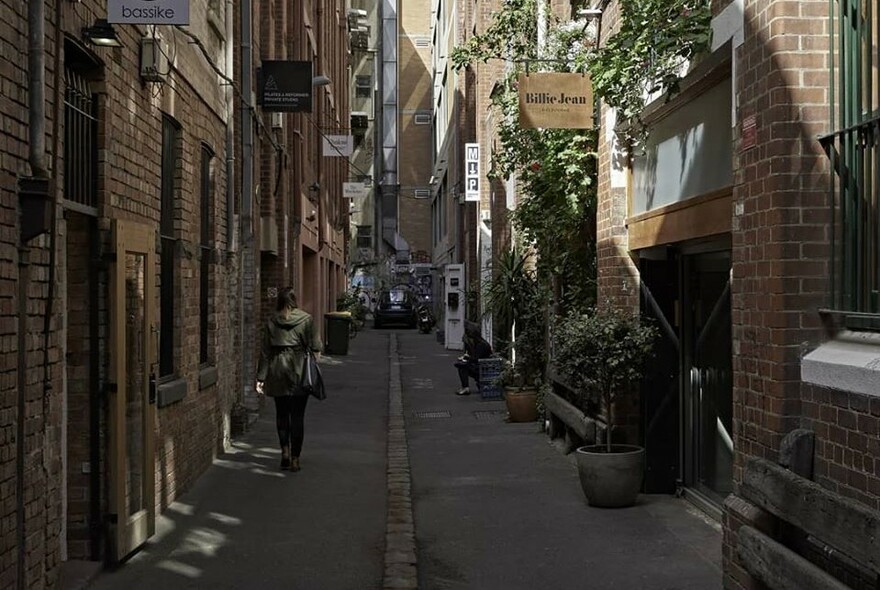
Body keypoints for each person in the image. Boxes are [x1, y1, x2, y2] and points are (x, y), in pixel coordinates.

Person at [256, 287, 322, 471]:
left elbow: (265, 352)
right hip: (299, 370)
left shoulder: (272, 321)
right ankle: (295, 458)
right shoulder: (306, 320)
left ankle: (284, 451)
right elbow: (316, 347)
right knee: (298, 416)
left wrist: (260, 377)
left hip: (277, 370)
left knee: (282, 414)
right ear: (295, 300)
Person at [454, 322, 493, 396]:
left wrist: (467, 358)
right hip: (482, 366)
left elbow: (476, 359)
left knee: (462, 367)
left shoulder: (481, 345)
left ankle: (465, 388)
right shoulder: (479, 343)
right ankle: (466, 387)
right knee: (461, 364)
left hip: (483, 368)